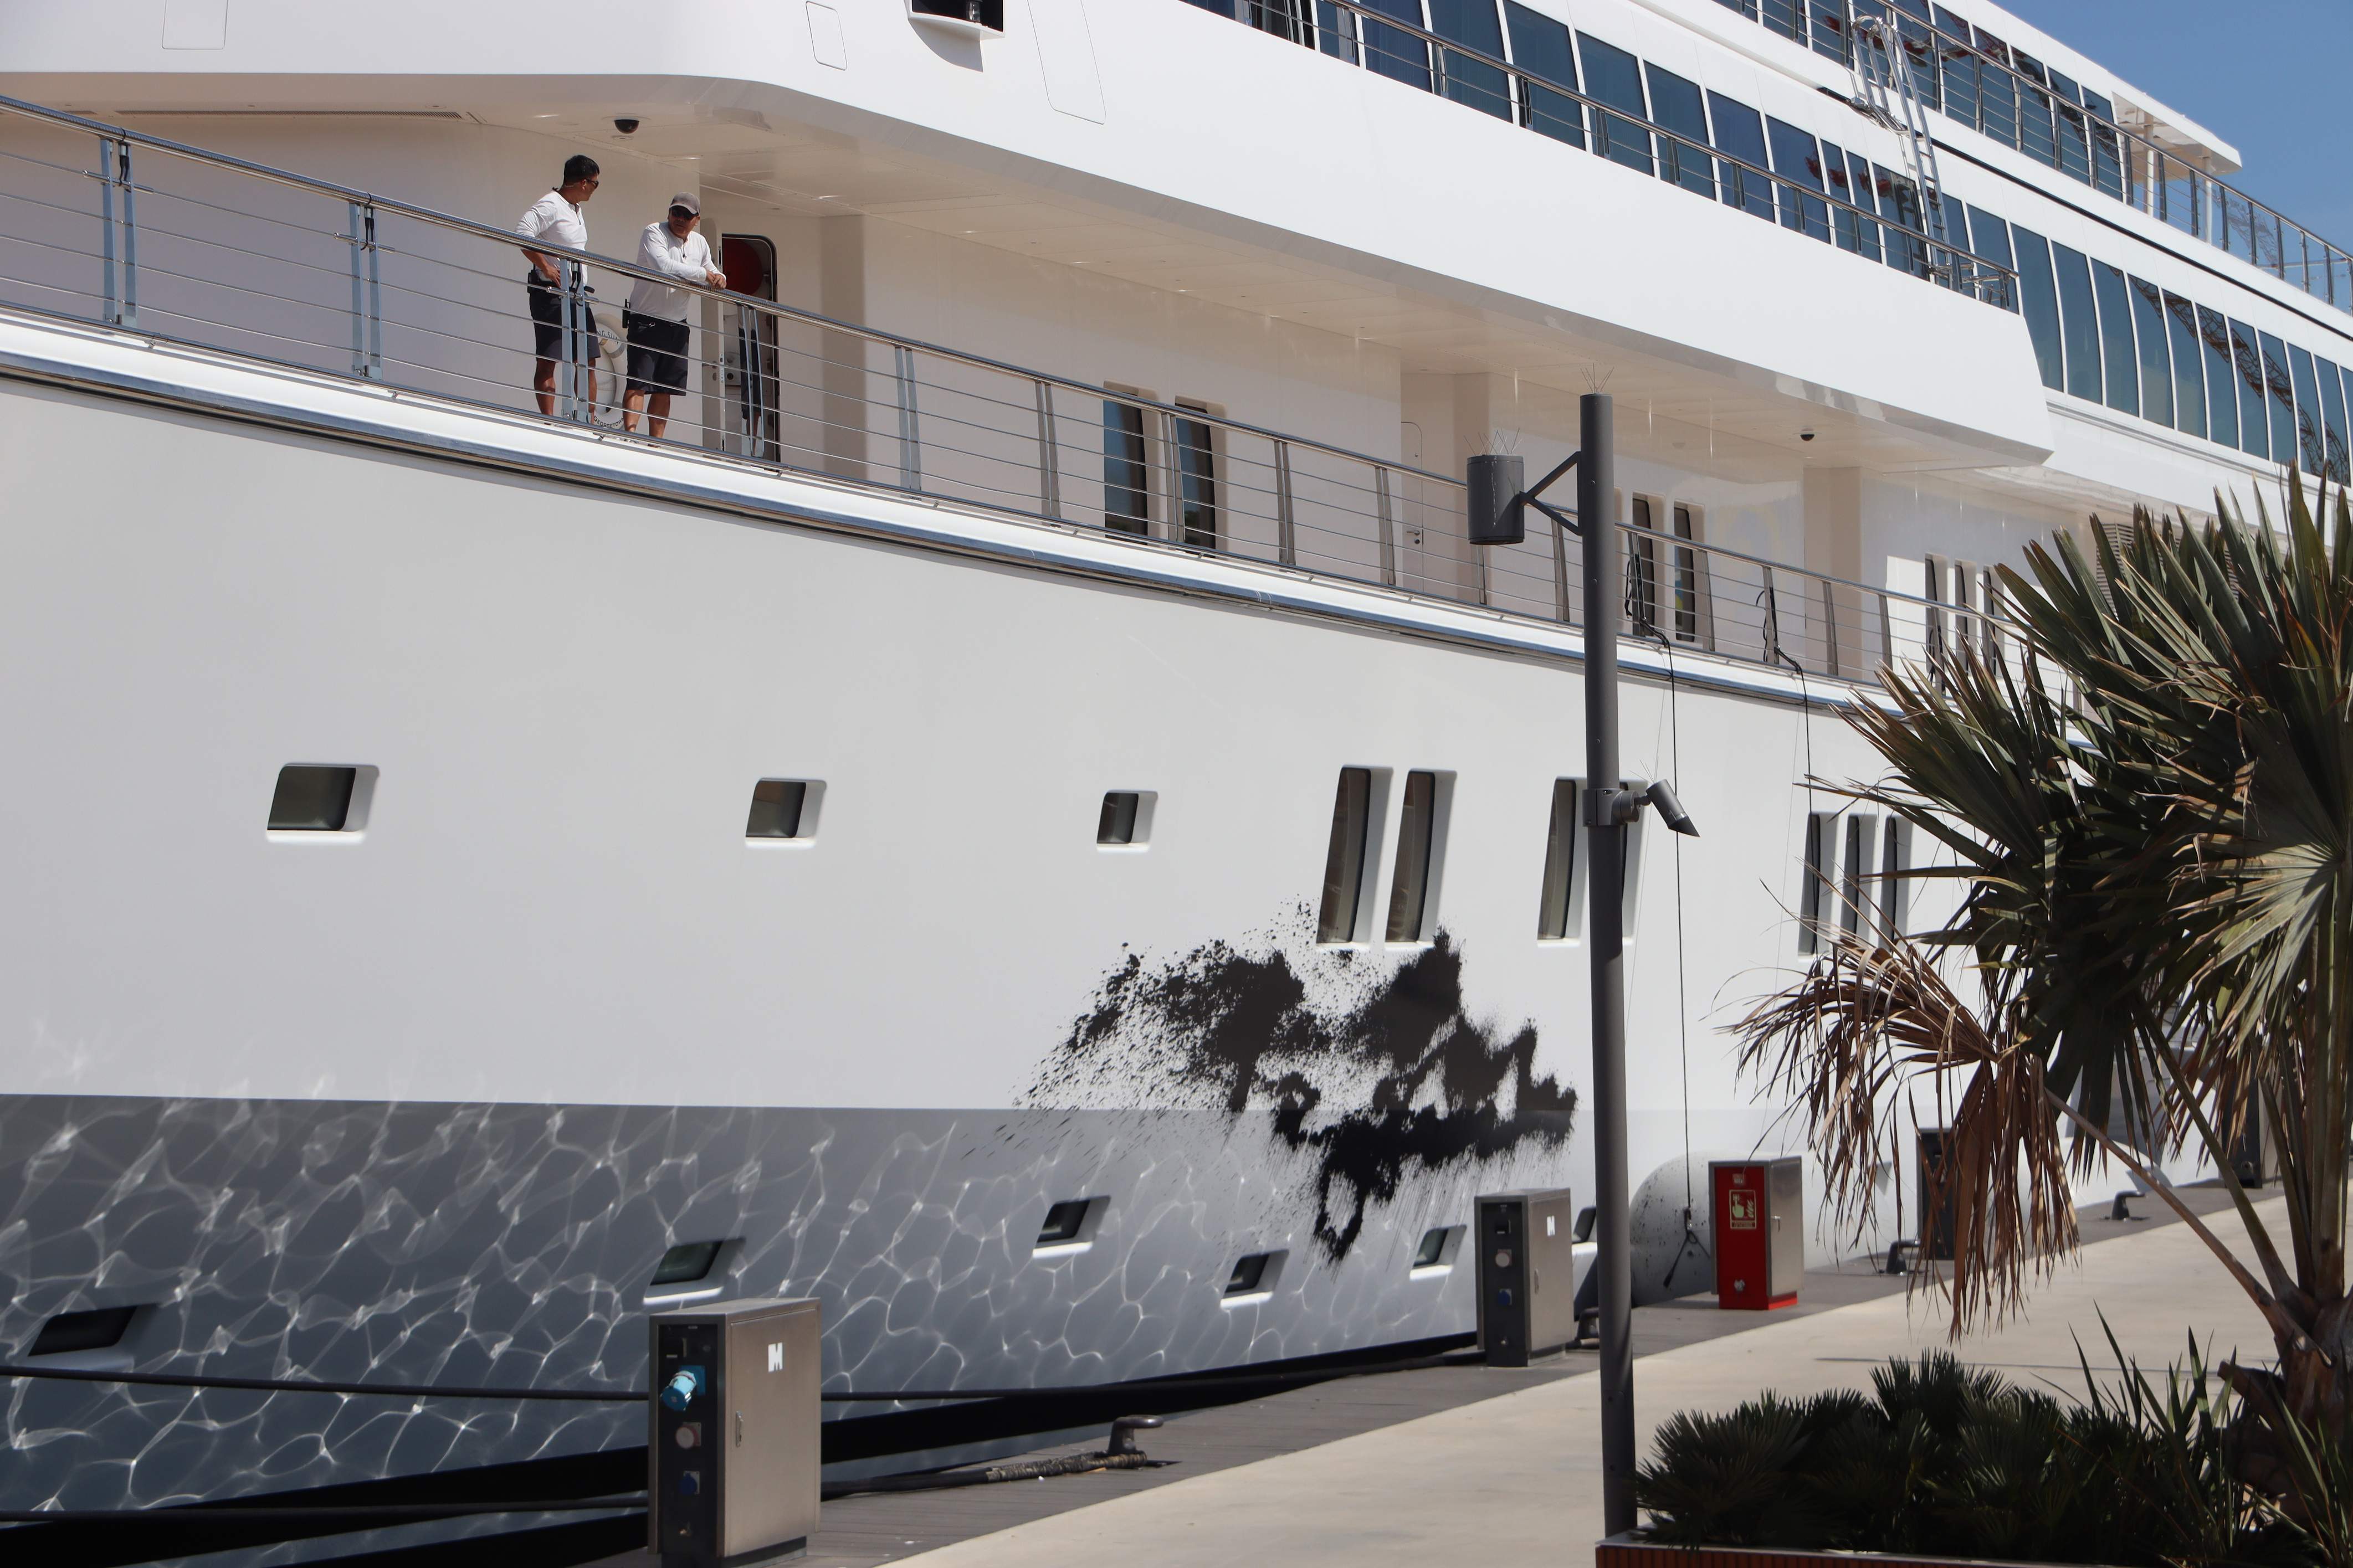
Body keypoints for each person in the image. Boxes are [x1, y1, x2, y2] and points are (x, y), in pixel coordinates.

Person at [622, 193, 724, 439]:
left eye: (686, 215)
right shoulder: (654, 232)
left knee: (664, 389)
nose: (679, 219)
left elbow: (712, 270)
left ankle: (656, 445)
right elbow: (663, 266)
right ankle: (631, 439)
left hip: (677, 325)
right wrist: (703, 275)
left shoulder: (700, 243)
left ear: (696, 219)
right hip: (646, 320)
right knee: (638, 383)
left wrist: (720, 278)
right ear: (669, 213)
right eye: (675, 213)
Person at [515, 155, 600, 417]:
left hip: (577, 294)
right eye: (596, 184)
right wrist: (547, 267)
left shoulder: (575, 208)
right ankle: (549, 421)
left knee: (587, 359)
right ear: (584, 183)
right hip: (551, 294)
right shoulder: (551, 204)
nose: (596, 189)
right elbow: (522, 232)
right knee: (548, 359)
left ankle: (588, 418)